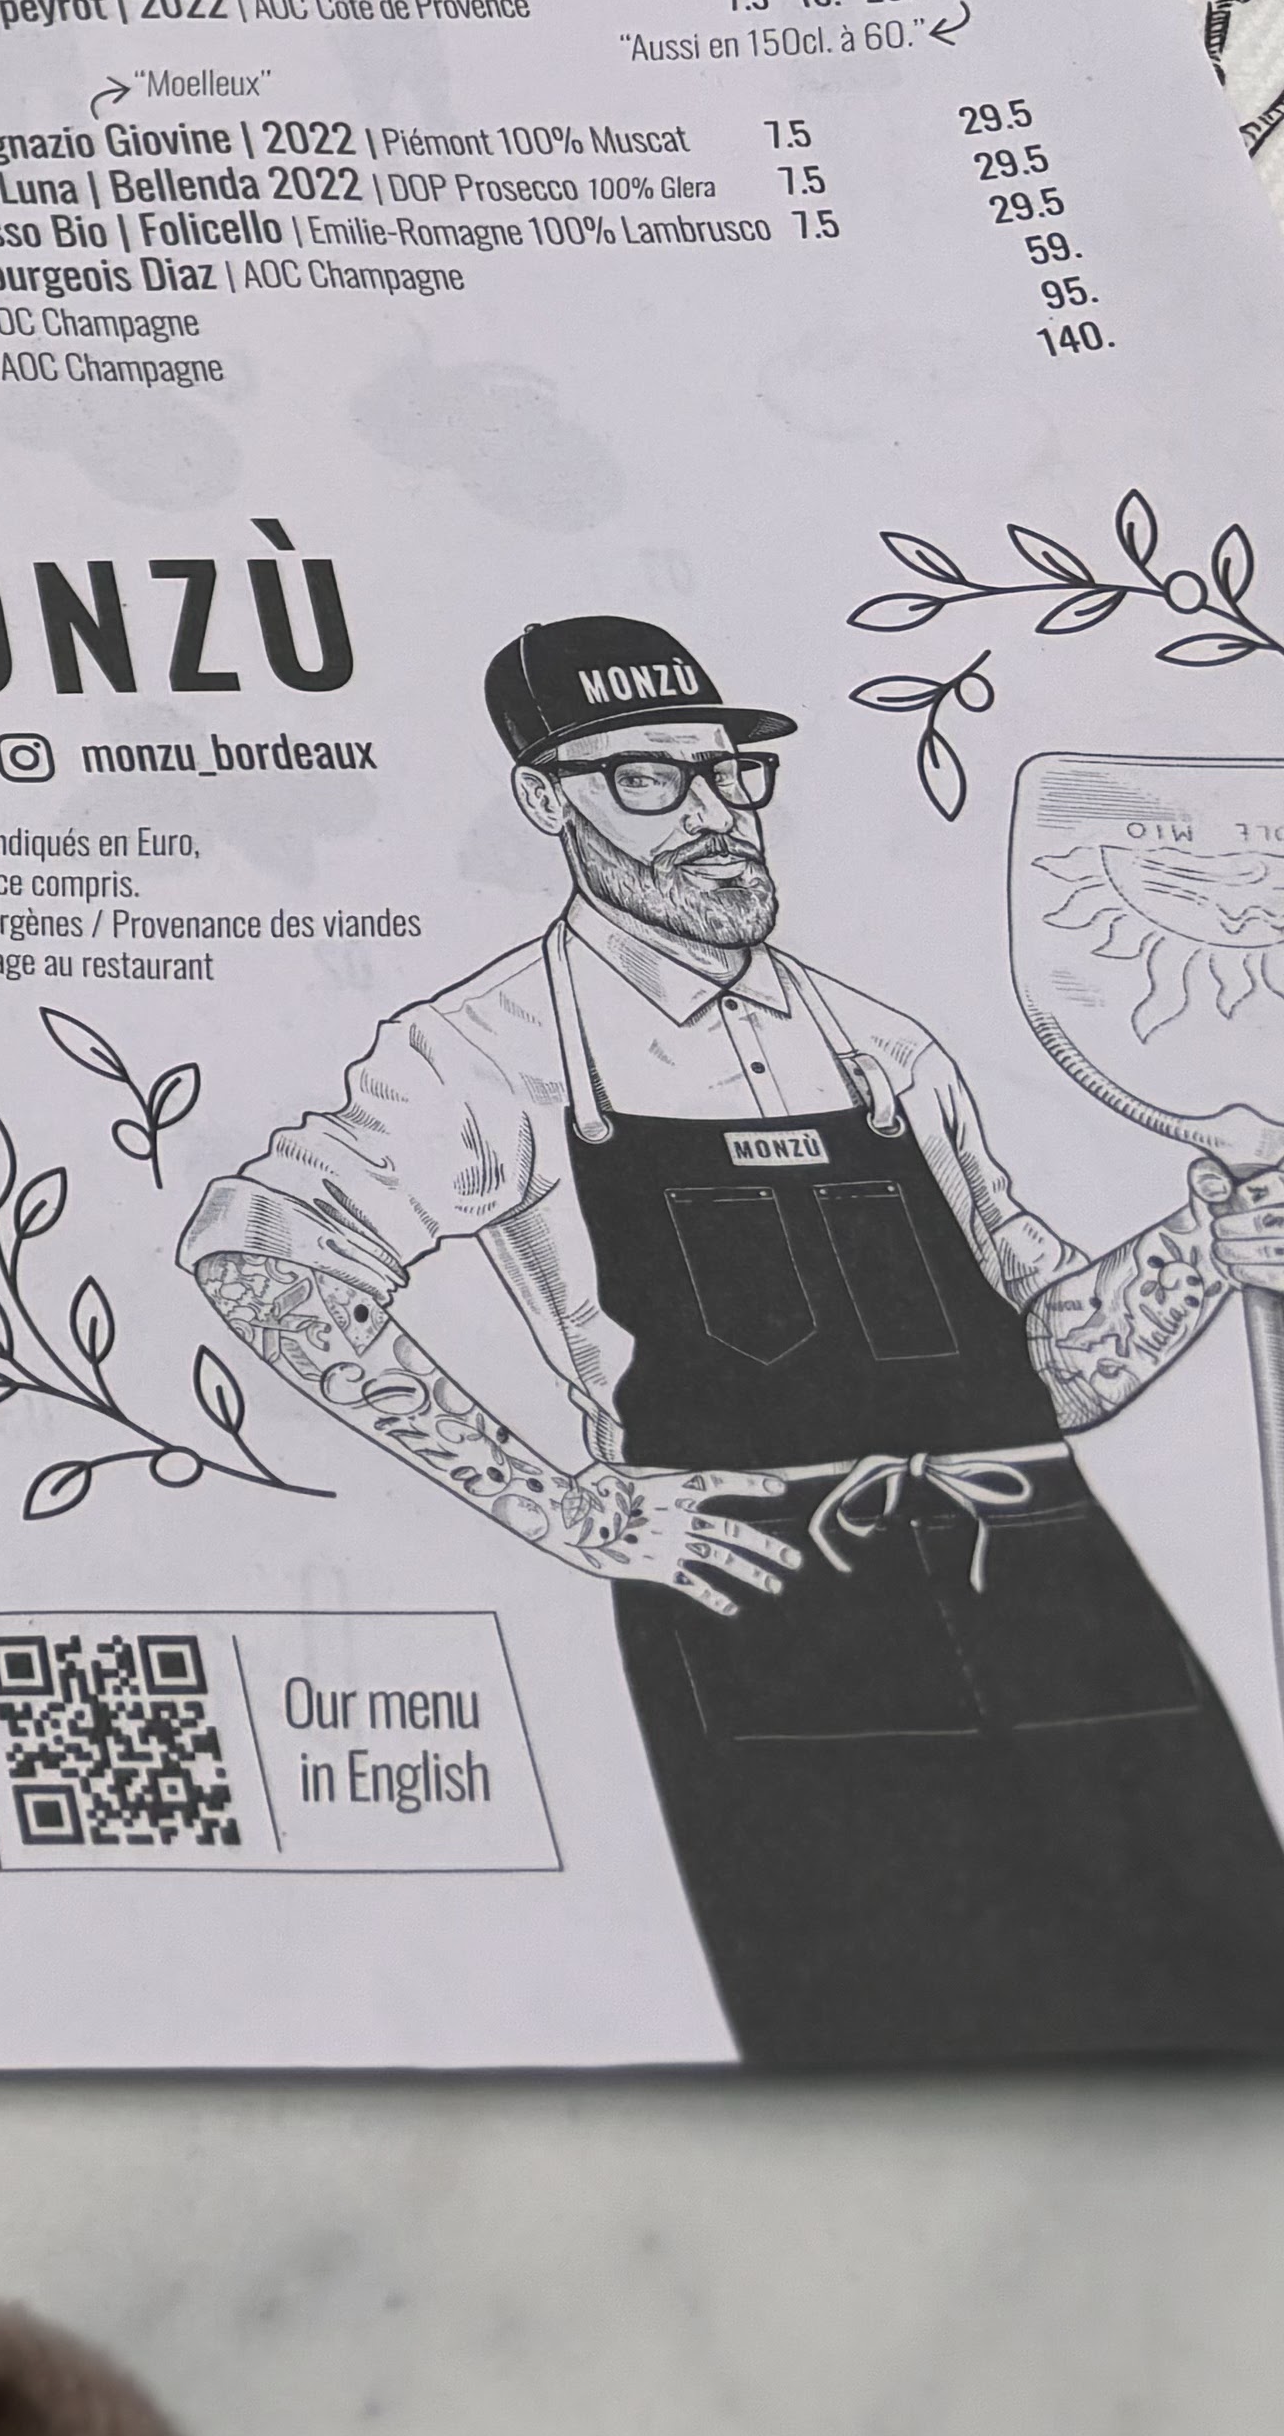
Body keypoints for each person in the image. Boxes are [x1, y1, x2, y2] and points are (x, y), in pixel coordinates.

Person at [182, 612, 1284, 2061]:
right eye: (651, 779)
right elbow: (260, 1255)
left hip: (1068, 1615)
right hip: (786, 1641)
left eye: (730, 773)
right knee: (895, 2075)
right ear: (546, 802)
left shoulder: (884, 1048)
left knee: (1234, 2024)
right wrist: (564, 1509)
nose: (715, 815)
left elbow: (1061, 1367)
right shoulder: (486, 1053)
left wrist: (1210, 1240)